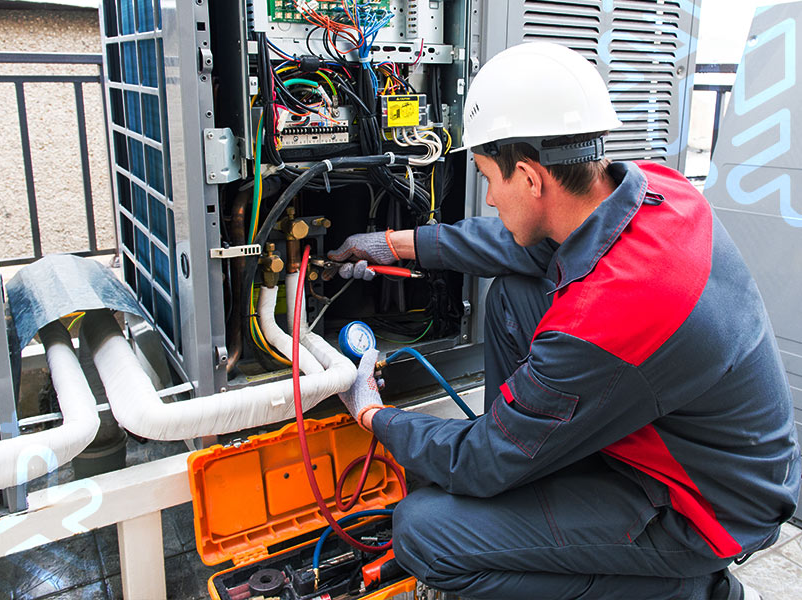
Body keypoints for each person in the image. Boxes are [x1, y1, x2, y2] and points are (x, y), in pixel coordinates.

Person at [330, 42, 800, 600]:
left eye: (486, 177)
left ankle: (692, 589)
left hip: (703, 506)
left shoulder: (604, 317)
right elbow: (521, 248)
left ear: (530, 178)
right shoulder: (656, 189)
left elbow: (475, 461)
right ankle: (529, 454)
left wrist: (373, 414)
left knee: (425, 531)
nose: (487, 196)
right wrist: (391, 245)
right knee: (512, 294)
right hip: (701, 443)